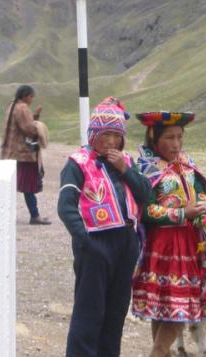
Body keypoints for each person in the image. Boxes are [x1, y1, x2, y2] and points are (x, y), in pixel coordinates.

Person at [58, 96, 151, 357]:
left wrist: (125, 170)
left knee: (115, 313)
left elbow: (146, 195)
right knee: (89, 313)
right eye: (105, 134)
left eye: (116, 135)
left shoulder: (127, 162)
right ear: (93, 134)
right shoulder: (78, 163)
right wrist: (86, 242)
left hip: (125, 244)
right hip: (95, 244)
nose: (111, 141)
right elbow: (66, 207)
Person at [131, 111, 206, 357]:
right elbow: (145, 210)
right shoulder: (145, 168)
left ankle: (160, 352)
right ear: (153, 137)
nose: (176, 143)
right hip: (162, 245)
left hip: (189, 245)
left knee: (177, 302)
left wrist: (200, 207)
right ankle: (159, 352)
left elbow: (199, 189)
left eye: (180, 137)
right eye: (169, 137)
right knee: (166, 303)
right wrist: (182, 214)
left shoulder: (187, 164)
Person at [1, 84, 51, 225]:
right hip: (23, 153)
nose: (31, 99)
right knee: (28, 184)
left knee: (14, 183)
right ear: (25, 96)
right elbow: (29, 129)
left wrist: (34, 115)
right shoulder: (22, 108)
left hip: (11, 151)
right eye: (31, 96)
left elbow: (22, 124)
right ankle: (35, 216)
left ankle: (6, 214)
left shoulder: (12, 105)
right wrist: (38, 126)